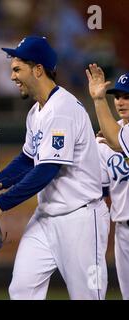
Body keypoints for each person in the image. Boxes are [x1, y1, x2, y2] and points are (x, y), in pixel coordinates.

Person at [0, 36, 110, 299]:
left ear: (37, 69)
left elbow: (47, 169)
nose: (12, 76)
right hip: (46, 217)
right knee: (22, 289)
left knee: (88, 295)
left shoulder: (62, 109)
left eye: (17, 69)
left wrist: (1, 204)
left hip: (80, 218)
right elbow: (27, 159)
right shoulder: (36, 112)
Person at [87, 70, 129, 299]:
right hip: (123, 229)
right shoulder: (104, 140)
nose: (121, 102)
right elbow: (100, 188)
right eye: (118, 96)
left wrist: (99, 99)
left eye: (128, 96)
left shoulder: (112, 136)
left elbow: (116, 140)